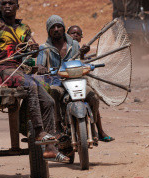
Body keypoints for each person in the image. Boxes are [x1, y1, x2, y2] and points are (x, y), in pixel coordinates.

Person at [0, 0, 69, 163]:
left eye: (11, 3)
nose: (7, 6)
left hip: (19, 70)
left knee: (49, 102)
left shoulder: (24, 28)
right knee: (30, 85)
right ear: (1, 7)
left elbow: (34, 50)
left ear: (17, 7)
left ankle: (51, 148)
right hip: (0, 70)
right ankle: (38, 131)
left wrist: (34, 48)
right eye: (4, 3)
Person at [38, 15, 114, 143]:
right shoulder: (44, 48)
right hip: (57, 82)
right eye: (52, 27)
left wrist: (83, 54)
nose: (56, 29)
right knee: (54, 93)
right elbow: (40, 63)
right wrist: (41, 67)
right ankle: (57, 128)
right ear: (48, 31)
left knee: (93, 97)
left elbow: (79, 61)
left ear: (63, 28)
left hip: (76, 81)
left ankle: (93, 126)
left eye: (59, 26)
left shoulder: (73, 44)